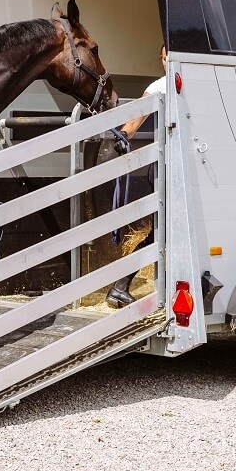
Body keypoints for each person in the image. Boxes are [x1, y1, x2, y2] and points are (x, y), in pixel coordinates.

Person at [106, 44, 167, 308]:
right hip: (169, 170)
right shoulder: (159, 87)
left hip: (186, 168)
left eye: (171, 57)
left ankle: (121, 287)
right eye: (164, 58)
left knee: (162, 235)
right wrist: (123, 135)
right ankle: (120, 286)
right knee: (161, 235)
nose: (167, 62)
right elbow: (135, 120)